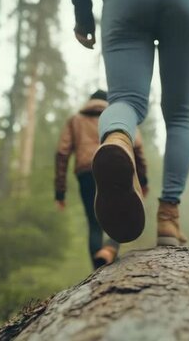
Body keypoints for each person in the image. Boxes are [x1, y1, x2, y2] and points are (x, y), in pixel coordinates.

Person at [72, 0, 189, 245]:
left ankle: (117, 140)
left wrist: (83, 13)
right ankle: (169, 217)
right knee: (180, 115)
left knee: (125, 101)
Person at [55, 90, 149, 268]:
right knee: (120, 213)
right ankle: (110, 247)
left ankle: (99, 270)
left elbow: (62, 152)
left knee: (94, 222)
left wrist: (60, 191)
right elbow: (137, 148)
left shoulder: (76, 120)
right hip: (116, 165)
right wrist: (143, 181)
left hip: (86, 172)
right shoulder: (121, 118)